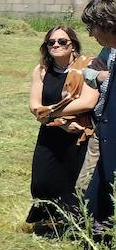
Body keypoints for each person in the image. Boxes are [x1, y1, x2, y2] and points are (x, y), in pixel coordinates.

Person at [26, 25, 97, 236]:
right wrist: (60, 120)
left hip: (77, 134)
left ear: (73, 45)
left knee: (71, 181)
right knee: (42, 180)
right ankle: (48, 222)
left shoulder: (88, 67)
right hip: (50, 134)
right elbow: (34, 106)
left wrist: (51, 114)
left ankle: (69, 227)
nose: (56, 45)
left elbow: (88, 101)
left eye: (62, 41)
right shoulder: (41, 70)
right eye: (51, 42)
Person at [81, 0, 116, 227]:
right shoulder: (109, 53)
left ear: (108, 24)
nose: (91, 34)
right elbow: (89, 72)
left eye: (93, 27)